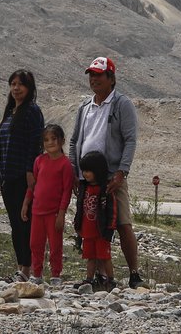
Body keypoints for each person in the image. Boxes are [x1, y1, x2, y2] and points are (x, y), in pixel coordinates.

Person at [68, 55, 142, 288]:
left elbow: (130, 140)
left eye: (98, 75)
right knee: (91, 224)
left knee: (121, 222)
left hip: (111, 176)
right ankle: (101, 276)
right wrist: (74, 171)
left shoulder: (122, 104)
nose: (93, 79)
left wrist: (122, 172)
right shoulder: (85, 107)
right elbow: (73, 142)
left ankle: (134, 274)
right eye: (91, 74)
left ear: (111, 78)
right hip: (86, 177)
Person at [0, 69, 43, 282]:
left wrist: (31, 171)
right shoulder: (11, 112)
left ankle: (29, 270)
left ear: (29, 88)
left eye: (20, 84)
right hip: (7, 176)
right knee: (15, 224)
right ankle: (21, 267)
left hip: (23, 176)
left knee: (25, 223)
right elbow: (6, 147)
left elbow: (35, 143)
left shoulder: (32, 111)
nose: (16, 88)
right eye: (12, 84)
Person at [21, 123, 74, 284]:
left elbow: (67, 191)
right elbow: (33, 185)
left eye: (53, 139)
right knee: (35, 244)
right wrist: (26, 203)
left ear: (62, 141)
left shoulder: (66, 164)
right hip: (37, 211)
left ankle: (55, 275)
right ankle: (37, 274)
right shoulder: (39, 161)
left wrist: (62, 213)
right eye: (46, 140)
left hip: (54, 213)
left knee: (55, 245)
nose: (50, 142)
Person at [73, 150, 117, 291]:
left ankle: (110, 280)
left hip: (101, 231)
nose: (85, 174)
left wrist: (110, 227)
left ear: (97, 171)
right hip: (87, 230)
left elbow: (112, 211)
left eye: (88, 171)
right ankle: (89, 280)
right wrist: (78, 225)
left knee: (104, 256)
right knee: (90, 257)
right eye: (83, 170)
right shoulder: (83, 187)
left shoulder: (105, 190)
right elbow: (79, 207)